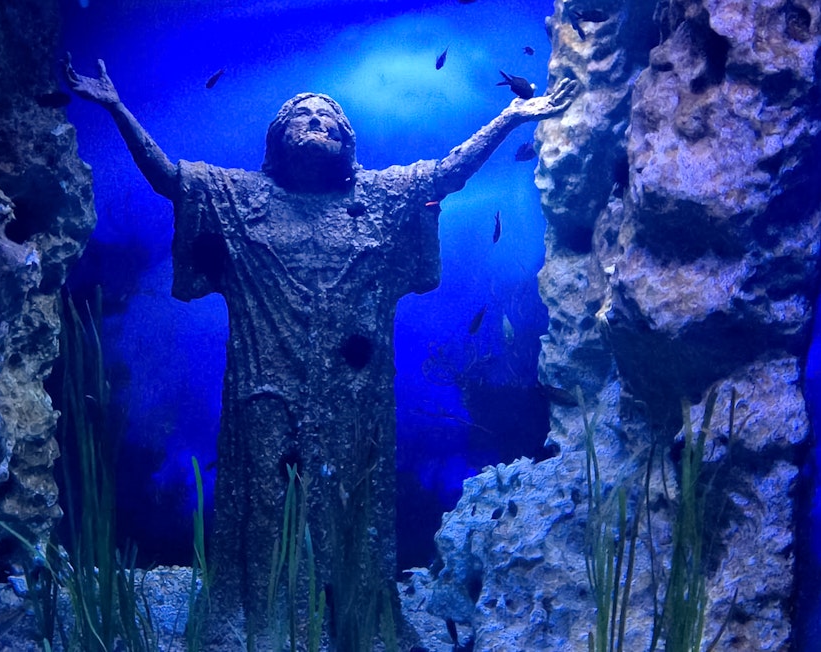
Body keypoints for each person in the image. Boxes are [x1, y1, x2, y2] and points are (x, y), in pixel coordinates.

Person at [64, 54, 577, 645]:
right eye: (301, 117)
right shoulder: (239, 199)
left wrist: (509, 118)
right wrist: (118, 110)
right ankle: (259, 621)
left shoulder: (379, 198)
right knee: (264, 504)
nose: (317, 123)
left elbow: (445, 175)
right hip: (265, 396)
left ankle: (356, 624)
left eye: (329, 117)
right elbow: (172, 181)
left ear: (349, 144)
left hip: (353, 398)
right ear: (276, 142)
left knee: (351, 501)